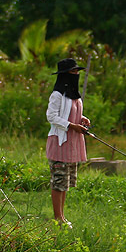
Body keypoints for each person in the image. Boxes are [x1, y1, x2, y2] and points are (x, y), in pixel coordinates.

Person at [46, 58, 91, 227]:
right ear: (65, 75)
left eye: (77, 72)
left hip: (72, 143)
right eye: (73, 72)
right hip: (60, 142)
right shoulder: (57, 95)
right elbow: (51, 117)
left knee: (66, 182)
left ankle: (62, 217)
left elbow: (72, 115)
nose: (76, 75)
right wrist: (72, 125)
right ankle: (57, 218)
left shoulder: (75, 97)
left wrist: (82, 120)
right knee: (59, 181)